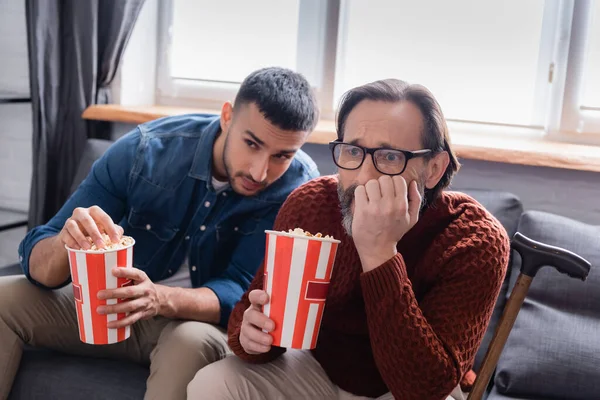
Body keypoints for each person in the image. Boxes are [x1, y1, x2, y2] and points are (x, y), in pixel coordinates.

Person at [0, 67, 321, 400]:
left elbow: (239, 290)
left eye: (282, 156)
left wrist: (160, 298)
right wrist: (64, 245)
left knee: (188, 344)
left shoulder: (297, 190)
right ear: (227, 116)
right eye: (251, 144)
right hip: (116, 303)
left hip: (196, 323)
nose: (260, 171)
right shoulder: (145, 151)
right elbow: (39, 264)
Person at [187, 79, 511, 400]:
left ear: (433, 169)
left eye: (389, 157)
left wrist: (380, 253)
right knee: (215, 381)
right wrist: (252, 335)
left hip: (407, 387)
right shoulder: (312, 204)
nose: (364, 176)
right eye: (353, 151)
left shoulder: (475, 240)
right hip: (318, 369)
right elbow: (251, 318)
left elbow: (423, 389)